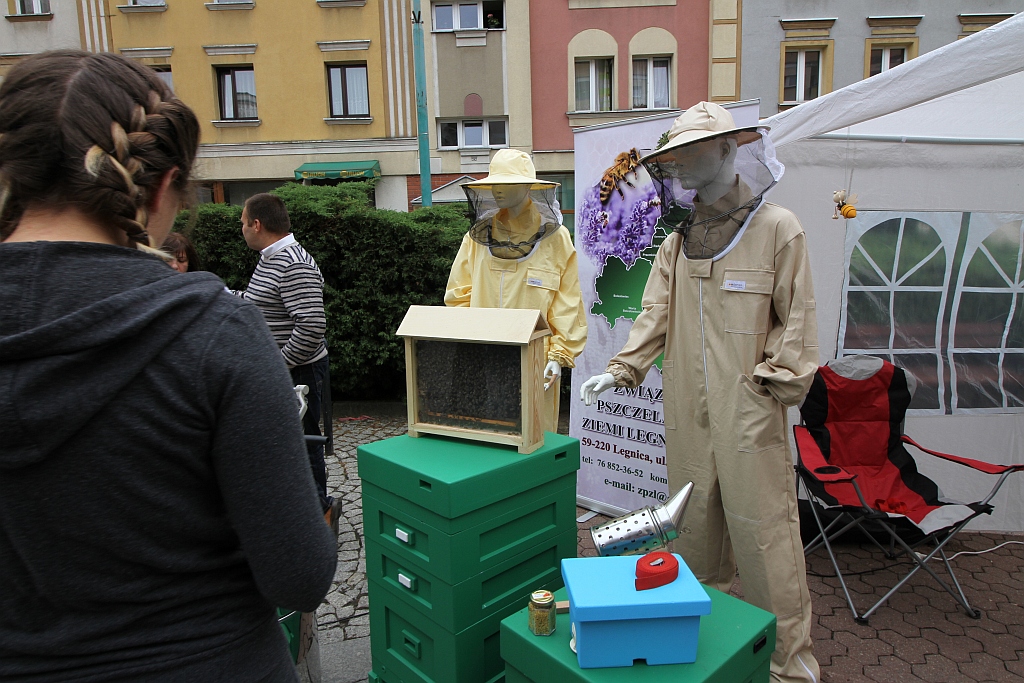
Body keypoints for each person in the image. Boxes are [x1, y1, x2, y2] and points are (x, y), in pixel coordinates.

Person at [0, 51, 337, 682]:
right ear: (162, 186)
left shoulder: (239, 306)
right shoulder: (212, 333)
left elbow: (308, 326)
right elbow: (299, 574)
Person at [580, 102, 820, 683]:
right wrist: (623, 369)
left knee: (766, 539)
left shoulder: (777, 229)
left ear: (729, 148)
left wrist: (774, 385)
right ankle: (705, 644)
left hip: (750, 412)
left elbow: (798, 321)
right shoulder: (677, 243)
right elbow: (654, 315)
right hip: (686, 409)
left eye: (691, 152)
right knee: (691, 533)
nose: (680, 166)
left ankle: (789, 665)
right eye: (674, 156)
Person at [445, 149, 587, 433]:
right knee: (487, 436)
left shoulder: (556, 239)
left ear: (527, 187)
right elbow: (458, 296)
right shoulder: (476, 238)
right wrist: (470, 344)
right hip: (484, 359)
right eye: (494, 183)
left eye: (506, 183)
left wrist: (557, 356)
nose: (497, 190)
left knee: (534, 440)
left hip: (536, 362)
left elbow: (567, 304)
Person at [236, 193, 337, 526]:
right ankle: (302, 511)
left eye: (242, 223)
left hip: (299, 371)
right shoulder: (271, 258)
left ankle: (320, 514)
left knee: (303, 443)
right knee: (288, 442)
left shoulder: (293, 262)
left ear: (257, 224)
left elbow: (311, 326)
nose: (241, 229)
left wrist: (278, 365)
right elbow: (263, 303)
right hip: (286, 369)